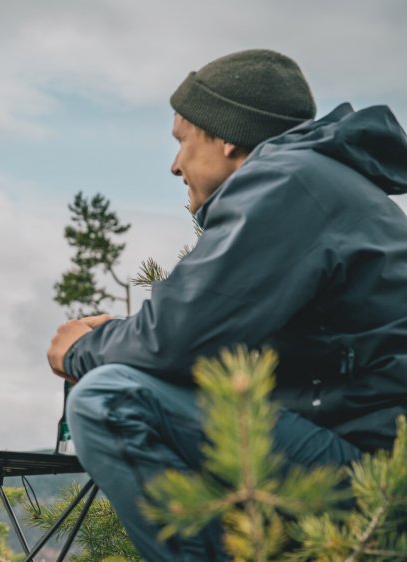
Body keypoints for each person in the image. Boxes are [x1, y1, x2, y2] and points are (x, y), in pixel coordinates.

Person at [47, 49, 407, 560]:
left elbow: (176, 339)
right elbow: (204, 342)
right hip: (362, 450)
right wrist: (126, 338)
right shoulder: (317, 183)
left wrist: (82, 349)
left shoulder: (288, 181)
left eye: (182, 140)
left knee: (107, 398)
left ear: (227, 136)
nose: (175, 165)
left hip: (377, 474)